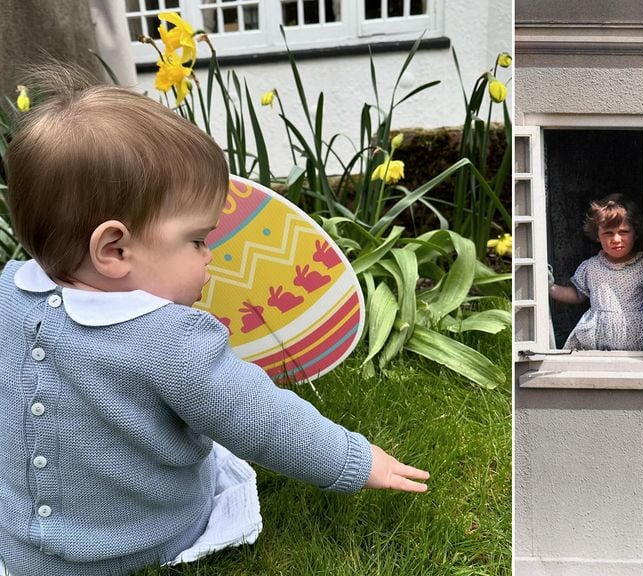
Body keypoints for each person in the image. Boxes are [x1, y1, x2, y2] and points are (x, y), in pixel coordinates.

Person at [0, 66, 428, 576]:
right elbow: (262, 419)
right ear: (114, 249)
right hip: (142, 542)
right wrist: (356, 461)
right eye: (198, 240)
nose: (210, 257)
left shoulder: (9, 292)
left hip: (20, 544)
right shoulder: (171, 341)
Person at [549, 193, 643, 351]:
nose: (616, 239)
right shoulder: (591, 266)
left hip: (639, 345)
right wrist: (550, 288)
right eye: (608, 233)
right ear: (597, 236)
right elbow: (578, 295)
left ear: (635, 233)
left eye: (623, 232)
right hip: (597, 344)